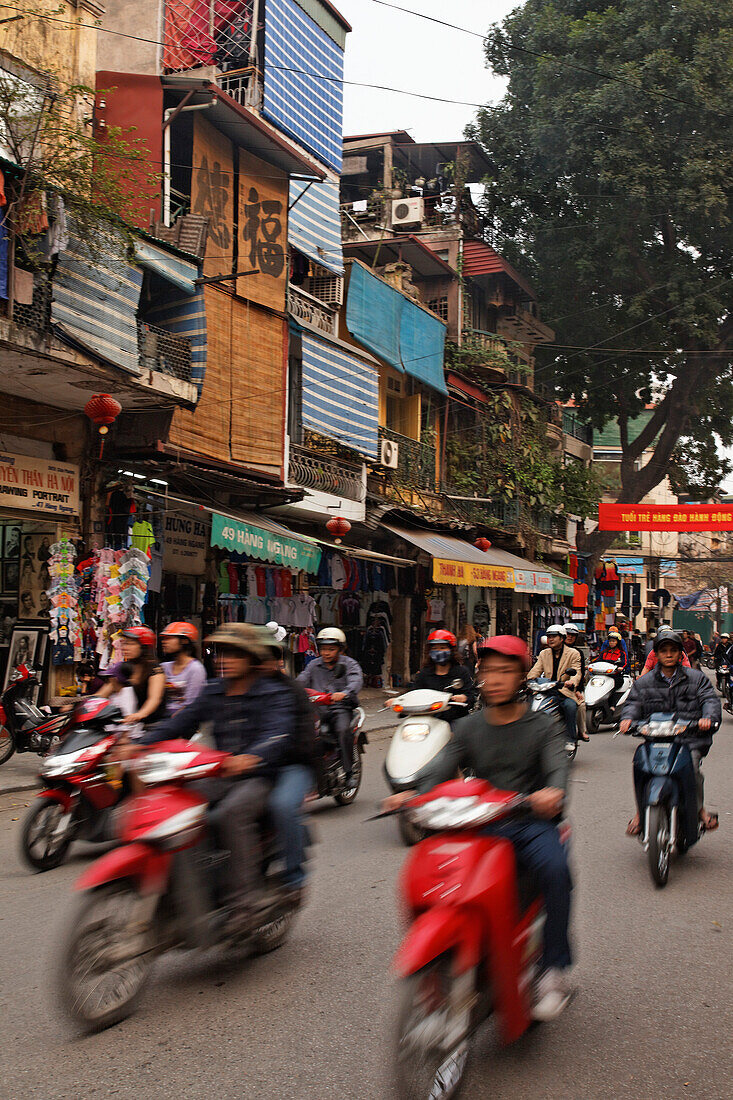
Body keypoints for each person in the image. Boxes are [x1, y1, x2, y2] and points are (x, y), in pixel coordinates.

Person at [384, 636, 573, 1021]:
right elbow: (438, 769)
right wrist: (410, 793)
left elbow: (557, 773)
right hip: (479, 823)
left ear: (521, 676)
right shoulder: (469, 727)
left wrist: (550, 793)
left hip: (528, 823)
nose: (496, 679)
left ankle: (552, 969)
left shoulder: (543, 726)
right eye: (488, 671)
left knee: (556, 871)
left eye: (506, 671)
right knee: (440, 875)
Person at [139, 623, 298, 933]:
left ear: (251, 658)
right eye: (220, 652)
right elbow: (180, 723)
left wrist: (254, 756)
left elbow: (278, 733)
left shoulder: (273, 692)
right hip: (219, 772)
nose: (223, 659)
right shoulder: (214, 691)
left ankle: (244, 905)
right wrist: (138, 744)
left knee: (230, 813)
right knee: (176, 806)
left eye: (233, 653)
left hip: (261, 777)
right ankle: (183, 891)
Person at [620, 630, 720, 835]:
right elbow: (633, 703)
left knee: (692, 767)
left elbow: (709, 700)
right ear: (656, 654)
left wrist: (707, 718)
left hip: (689, 740)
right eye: (663, 650)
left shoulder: (697, 678)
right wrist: (627, 719)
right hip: (654, 739)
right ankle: (640, 813)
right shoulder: (644, 682)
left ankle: (699, 810)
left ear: (680, 654)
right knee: (641, 766)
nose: (668, 654)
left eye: (673, 650)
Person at [261, 624, 317, 901]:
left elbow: (302, 740)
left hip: (292, 764)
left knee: (282, 805)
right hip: (252, 765)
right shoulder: (236, 691)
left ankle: (295, 876)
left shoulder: (292, 692)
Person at [297, 627, 363, 782]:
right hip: (317, 709)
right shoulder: (313, 665)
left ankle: (348, 773)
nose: (326, 653)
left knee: (342, 730)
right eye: (323, 649)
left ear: (340, 649)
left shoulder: (349, 664)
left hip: (340, 709)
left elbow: (356, 681)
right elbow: (301, 680)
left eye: (331, 649)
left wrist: (344, 693)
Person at [95, 626, 167, 728]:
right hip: (127, 725)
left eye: (131, 644)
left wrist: (140, 714)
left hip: (153, 725)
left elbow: (154, 699)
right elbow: (103, 693)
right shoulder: (123, 668)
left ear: (144, 647)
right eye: (125, 643)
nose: (125, 647)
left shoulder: (155, 670)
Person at [527, 624, 582, 744]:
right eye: (549, 636)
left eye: (554, 636)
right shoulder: (544, 653)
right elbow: (536, 670)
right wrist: (529, 680)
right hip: (545, 690)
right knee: (527, 706)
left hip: (563, 691)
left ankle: (571, 739)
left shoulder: (573, 653)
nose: (550, 639)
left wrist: (571, 682)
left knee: (570, 707)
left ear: (562, 638)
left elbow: (576, 672)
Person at [409, 629, 476, 724]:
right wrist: (397, 701)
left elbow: (471, 695)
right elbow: (414, 694)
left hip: (456, 721)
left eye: (442, 648)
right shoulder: (424, 674)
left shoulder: (461, 672)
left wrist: (464, 698)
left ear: (451, 650)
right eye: (435, 648)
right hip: (428, 721)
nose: (438, 651)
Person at [160, 621, 207, 716]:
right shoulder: (163, 667)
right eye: (164, 639)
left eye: (169, 638)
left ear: (184, 641)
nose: (164, 642)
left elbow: (192, 704)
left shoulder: (196, 669)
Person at [564, 624, 590, 741]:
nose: (570, 637)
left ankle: (581, 730)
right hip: (552, 685)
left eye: (572, 635)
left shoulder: (577, 652)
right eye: (567, 634)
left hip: (571, 687)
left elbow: (579, 673)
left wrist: (578, 690)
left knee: (581, 705)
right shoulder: (548, 652)